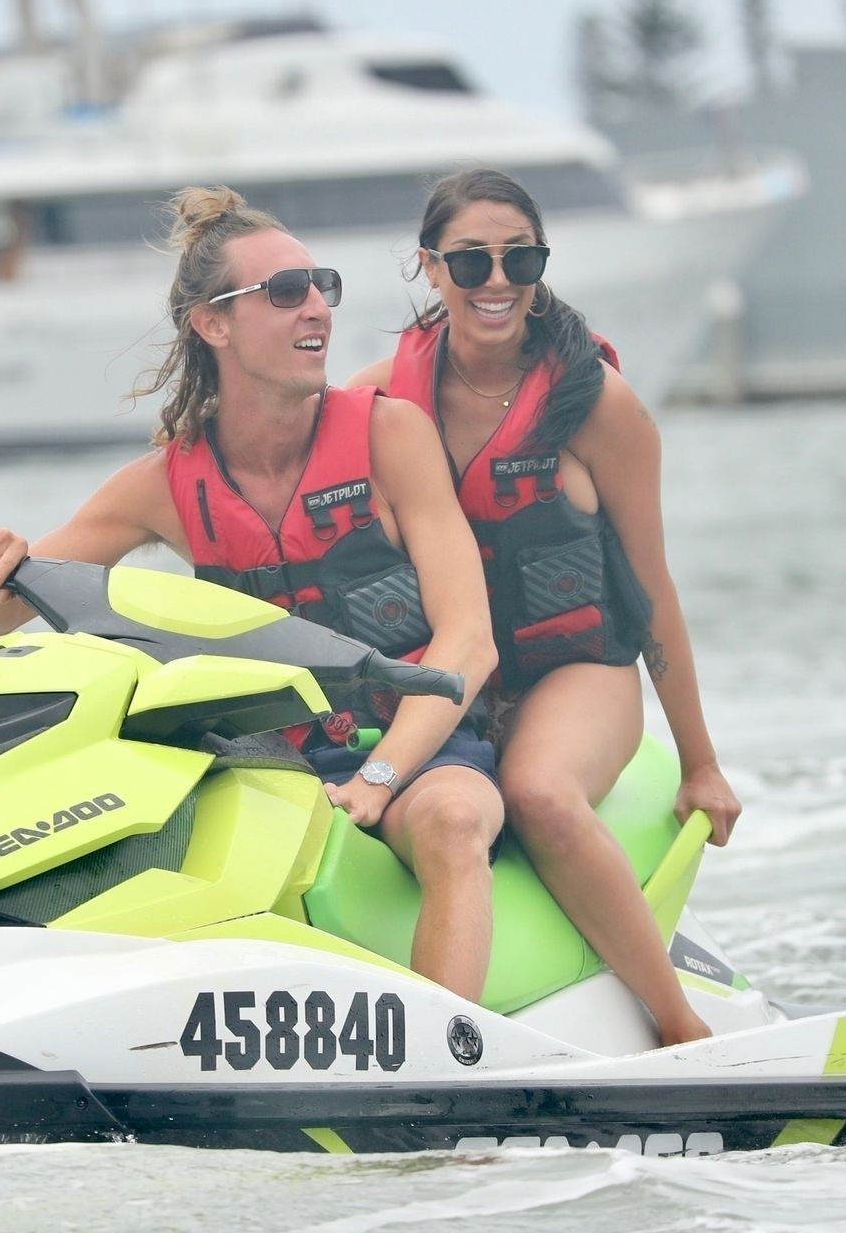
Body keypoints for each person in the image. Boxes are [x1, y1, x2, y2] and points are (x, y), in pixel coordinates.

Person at [0, 187, 504, 1001]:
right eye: (285, 291)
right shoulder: (163, 485)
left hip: (421, 753)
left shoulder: (391, 435)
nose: (316, 307)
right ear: (212, 322)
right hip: (266, 764)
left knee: (454, 822)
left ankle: (448, 1056)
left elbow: (469, 641)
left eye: (321, 286)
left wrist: (381, 776)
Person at [348, 167, 742, 1047]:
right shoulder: (380, 402)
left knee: (538, 794)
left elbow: (651, 586)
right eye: (470, 261)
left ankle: (679, 1026)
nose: (496, 281)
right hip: (448, 679)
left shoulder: (597, 406)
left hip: (576, 669)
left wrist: (702, 764)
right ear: (430, 266)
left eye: (519, 258)